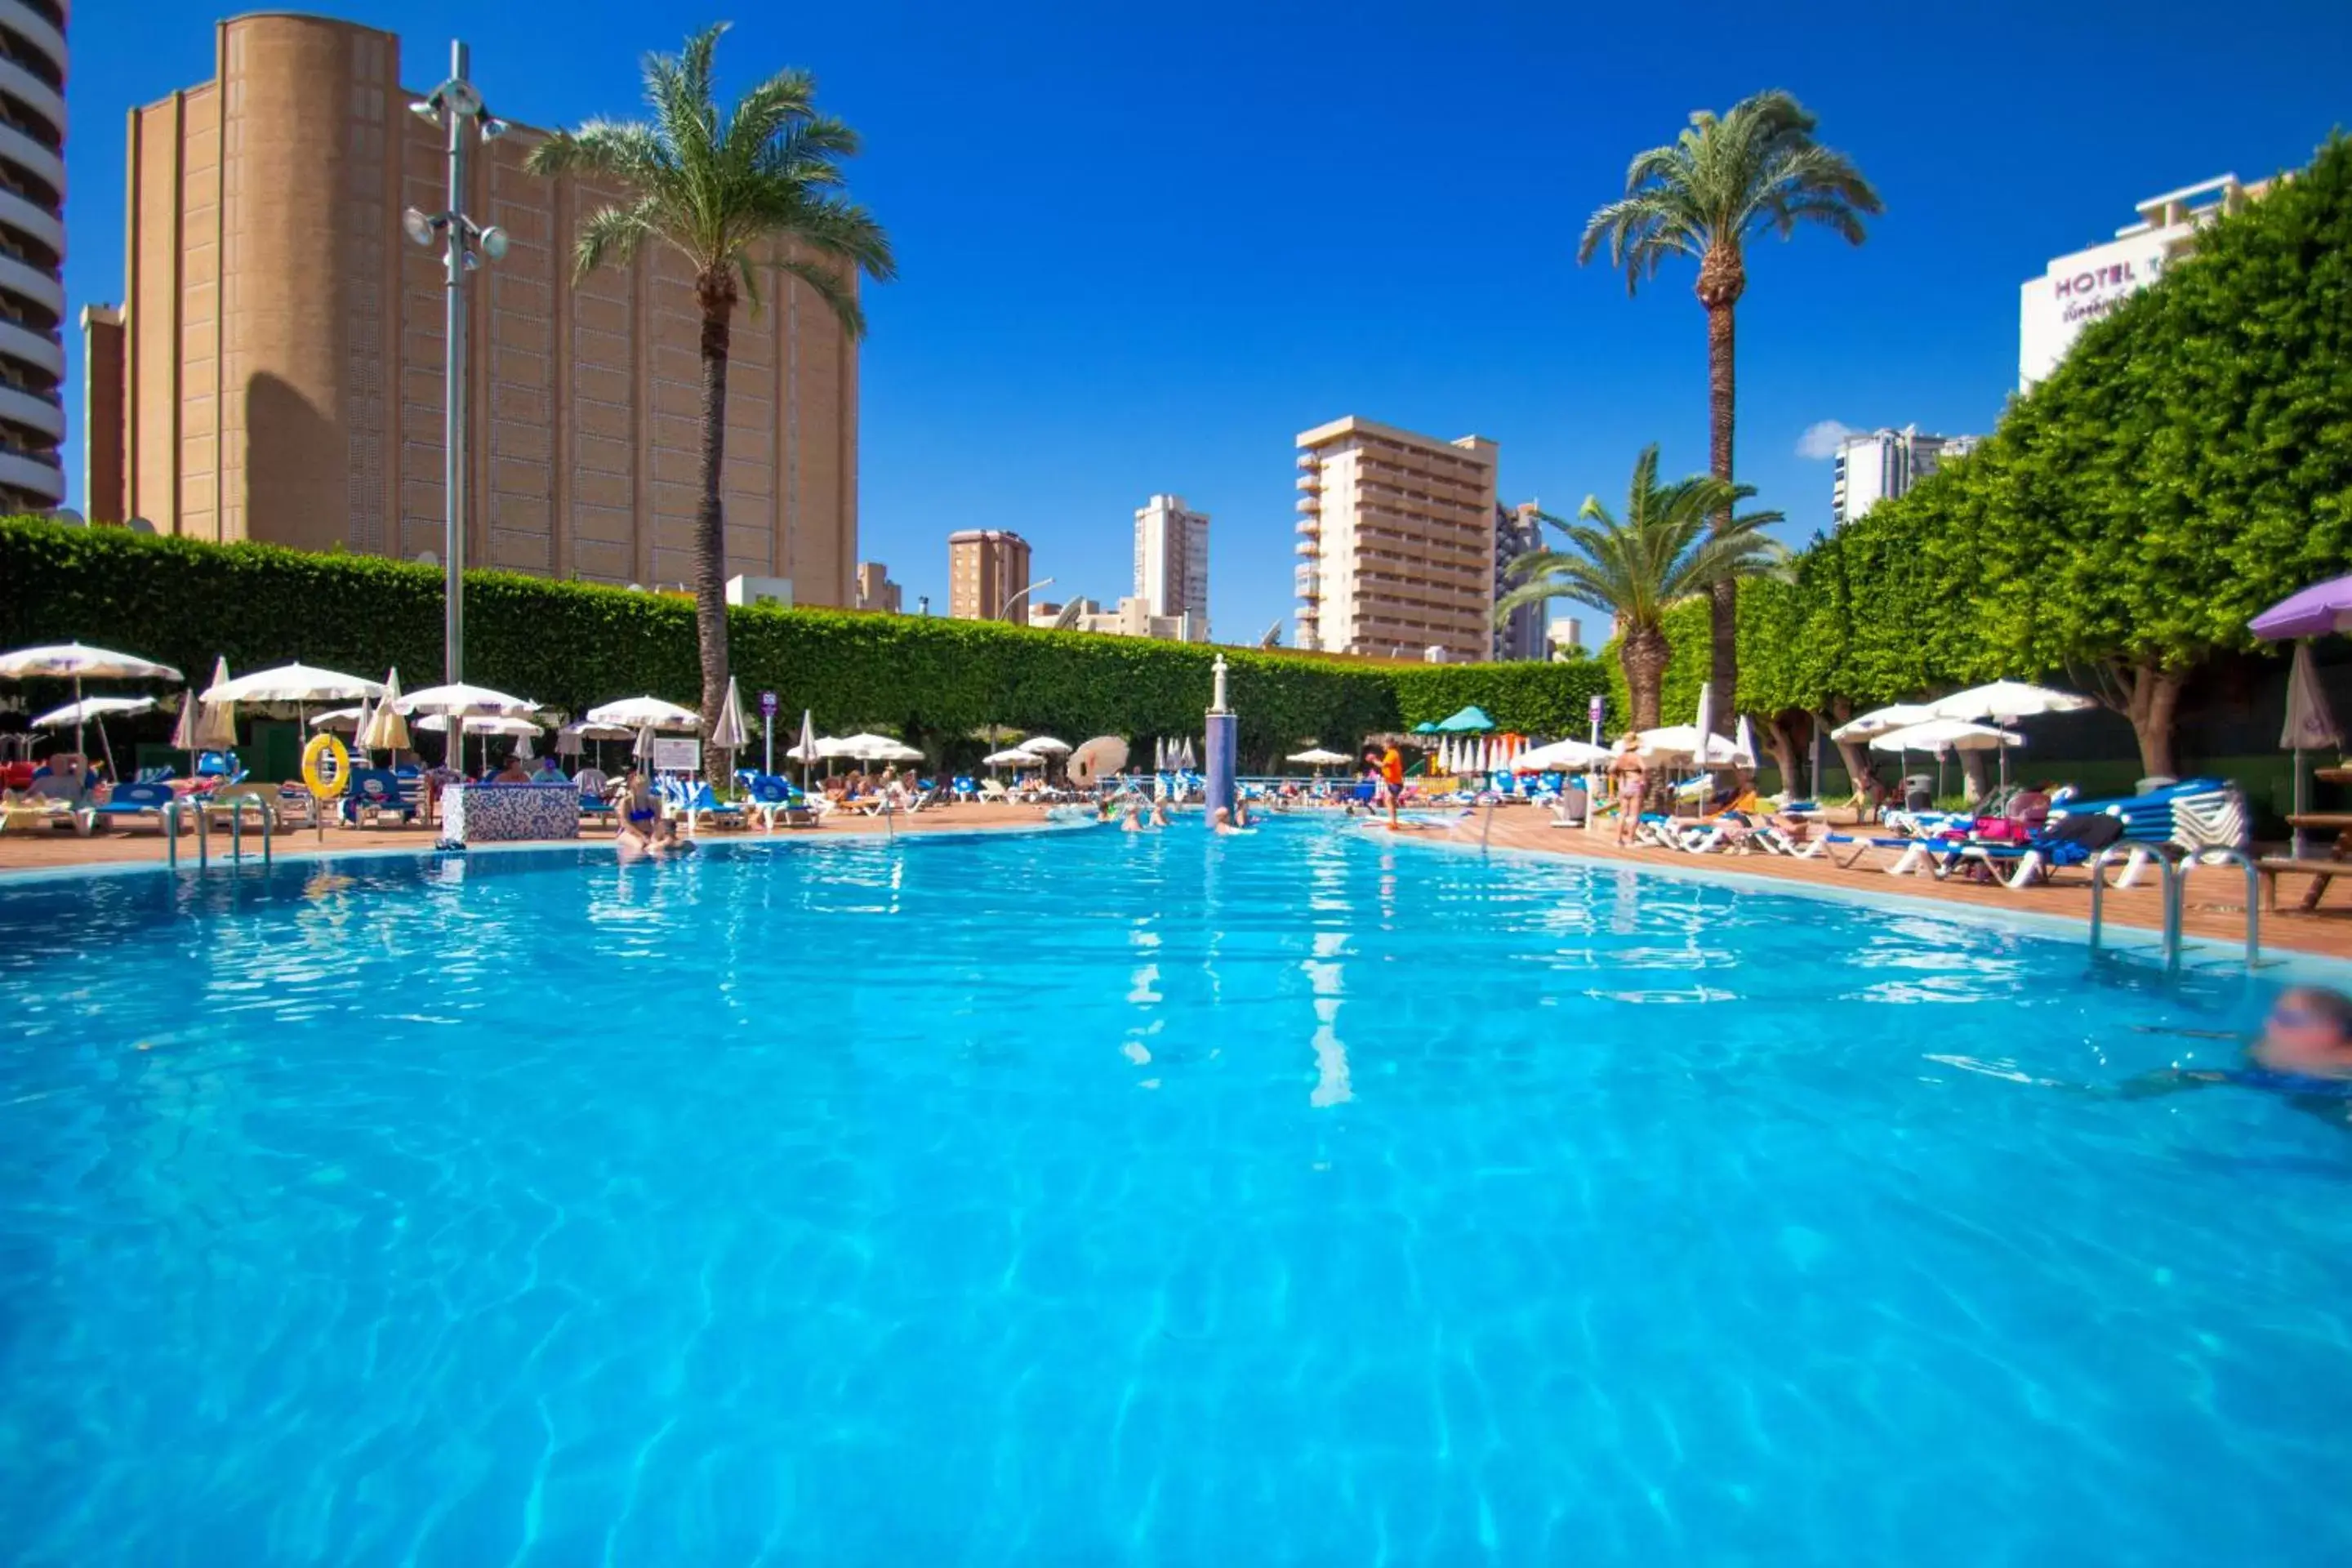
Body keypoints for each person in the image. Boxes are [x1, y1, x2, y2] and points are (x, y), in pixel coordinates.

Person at [2116, 987, 2352, 1123]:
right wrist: (2164, 1031)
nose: (2269, 1023)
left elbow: (2228, 1077)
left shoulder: (2325, 1065)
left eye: (2285, 1019)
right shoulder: (2272, 1046)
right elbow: (2232, 1036)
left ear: (2328, 1031)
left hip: (2325, 1098)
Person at [1608, 736, 1647, 846]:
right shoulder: (1636, 757)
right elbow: (1644, 768)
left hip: (1623, 784)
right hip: (1634, 783)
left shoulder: (1621, 757)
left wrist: (1616, 778)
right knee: (1634, 814)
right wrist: (1642, 779)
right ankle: (1630, 839)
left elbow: (1610, 769)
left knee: (1623, 814)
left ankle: (1617, 840)